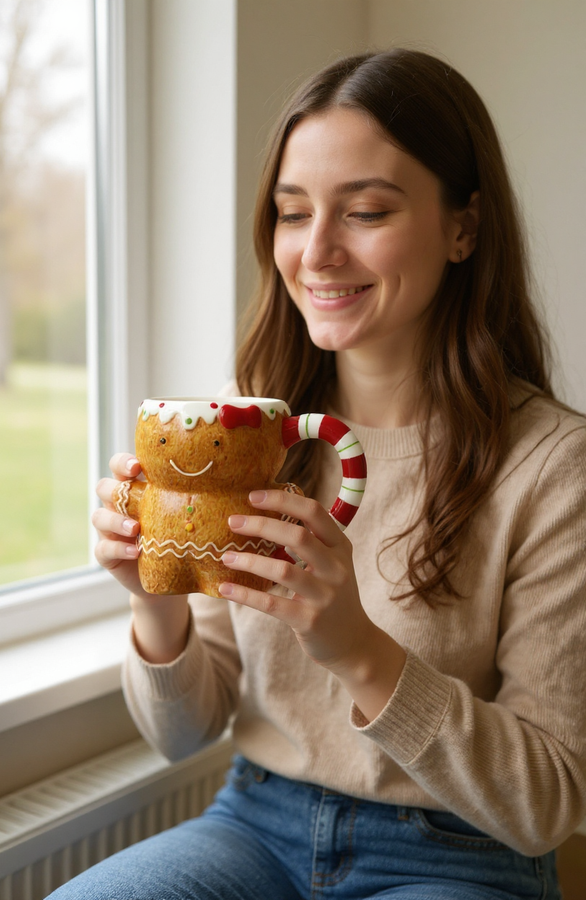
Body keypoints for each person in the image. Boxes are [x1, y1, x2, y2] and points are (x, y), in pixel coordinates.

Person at [49, 48, 586, 899]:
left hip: (459, 855)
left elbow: (546, 807)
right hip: (254, 824)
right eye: (293, 213)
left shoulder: (553, 467)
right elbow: (184, 734)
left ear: (464, 228)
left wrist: (358, 651)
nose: (318, 251)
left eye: (366, 211)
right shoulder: (249, 427)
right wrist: (153, 595)